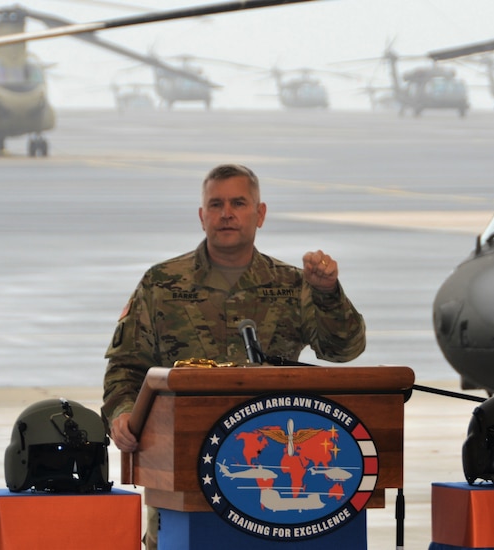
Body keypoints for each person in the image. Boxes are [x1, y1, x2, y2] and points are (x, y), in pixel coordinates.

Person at [101, 163, 366, 550]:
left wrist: (327, 293)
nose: (227, 213)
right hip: (183, 476)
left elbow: (344, 349)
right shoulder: (161, 283)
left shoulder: (293, 285)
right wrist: (123, 414)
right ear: (201, 216)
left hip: (270, 476)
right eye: (216, 204)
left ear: (260, 214)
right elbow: (125, 366)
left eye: (239, 203)